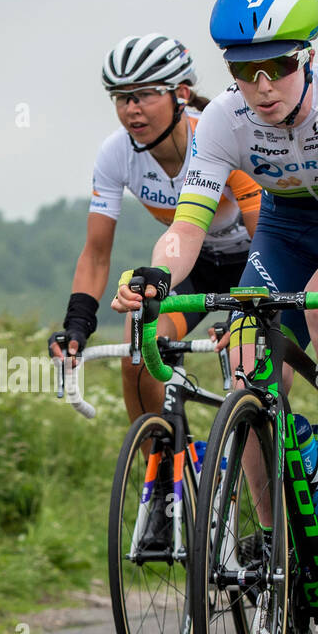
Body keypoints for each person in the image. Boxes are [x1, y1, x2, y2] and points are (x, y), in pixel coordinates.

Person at [113, 0, 318, 563]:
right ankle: (270, 537)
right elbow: (186, 229)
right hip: (288, 227)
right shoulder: (224, 121)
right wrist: (155, 278)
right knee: (245, 353)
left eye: (278, 66)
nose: (261, 87)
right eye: (243, 70)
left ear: (307, 57)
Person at [50, 34, 260, 420]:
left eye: (144, 94)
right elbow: (96, 254)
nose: (131, 110)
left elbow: (264, 234)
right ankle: (161, 473)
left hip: (254, 261)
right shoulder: (116, 154)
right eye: (120, 98)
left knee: (254, 364)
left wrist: (242, 313)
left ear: (180, 93)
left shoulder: (219, 140)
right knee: (139, 345)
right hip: (194, 266)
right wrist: (77, 325)